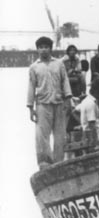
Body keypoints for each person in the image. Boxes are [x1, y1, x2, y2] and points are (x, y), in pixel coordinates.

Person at [27, 36, 73, 166]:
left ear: (50, 49)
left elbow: (65, 82)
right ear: (37, 49)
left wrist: (68, 100)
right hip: (42, 105)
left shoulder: (59, 64)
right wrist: (31, 109)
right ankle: (45, 163)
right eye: (41, 47)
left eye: (46, 47)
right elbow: (31, 87)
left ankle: (59, 163)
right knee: (42, 137)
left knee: (60, 136)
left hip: (59, 103)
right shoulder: (34, 67)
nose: (44, 50)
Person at [78, 78, 99, 150]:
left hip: (90, 136)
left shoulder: (89, 101)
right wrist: (96, 143)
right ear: (98, 91)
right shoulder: (90, 103)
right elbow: (92, 124)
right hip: (92, 138)